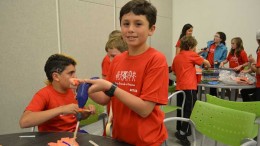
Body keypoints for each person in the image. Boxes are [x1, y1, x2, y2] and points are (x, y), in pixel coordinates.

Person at [83, 0, 168, 145]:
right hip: (119, 136)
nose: (130, 29)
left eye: (138, 24)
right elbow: (105, 98)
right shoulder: (117, 60)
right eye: (126, 23)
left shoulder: (156, 59)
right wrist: (86, 88)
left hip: (146, 140)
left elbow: (145, 110)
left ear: (151, 29)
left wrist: (111, 87)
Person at [19, 54, 95, 132]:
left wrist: (87, 112)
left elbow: (80, 116)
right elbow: (24, 122)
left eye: (74, 73)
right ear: (56, 76)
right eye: (70, 73)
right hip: (52, 140)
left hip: (74, 136)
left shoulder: (74, 91)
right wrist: (61, 109)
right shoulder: (44, 94)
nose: (75, 77)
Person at [172, 36, 211, 145]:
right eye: (194, 47)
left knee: (182, 109)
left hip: (179, 87)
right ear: (190, 46)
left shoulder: (177, 57)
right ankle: (182, 133)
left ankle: (180, 128)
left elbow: (175, 72)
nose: (195, 48)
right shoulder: (191, 54)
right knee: (190, 110)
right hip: (189, 87)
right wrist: (207, 66)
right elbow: (206, 63)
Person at [199, 32, 228, 96]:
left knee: (213, 87)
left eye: (217, 36)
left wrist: (218, 61)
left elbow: (224, 59)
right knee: (202, 84)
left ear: (221, 39)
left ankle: (213, 102)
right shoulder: (210, 44)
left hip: (214, 69)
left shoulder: (224, 48)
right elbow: (204, 54)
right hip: (205, 68)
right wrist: (202, 57)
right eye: (215, 36)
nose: (215, 37)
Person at [240, 29, 260, 102]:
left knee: (255, 103)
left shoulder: (242, 52)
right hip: (257, 81)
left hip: (259, 84)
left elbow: (258, 70)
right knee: (244, 91)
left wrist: (251, 65)